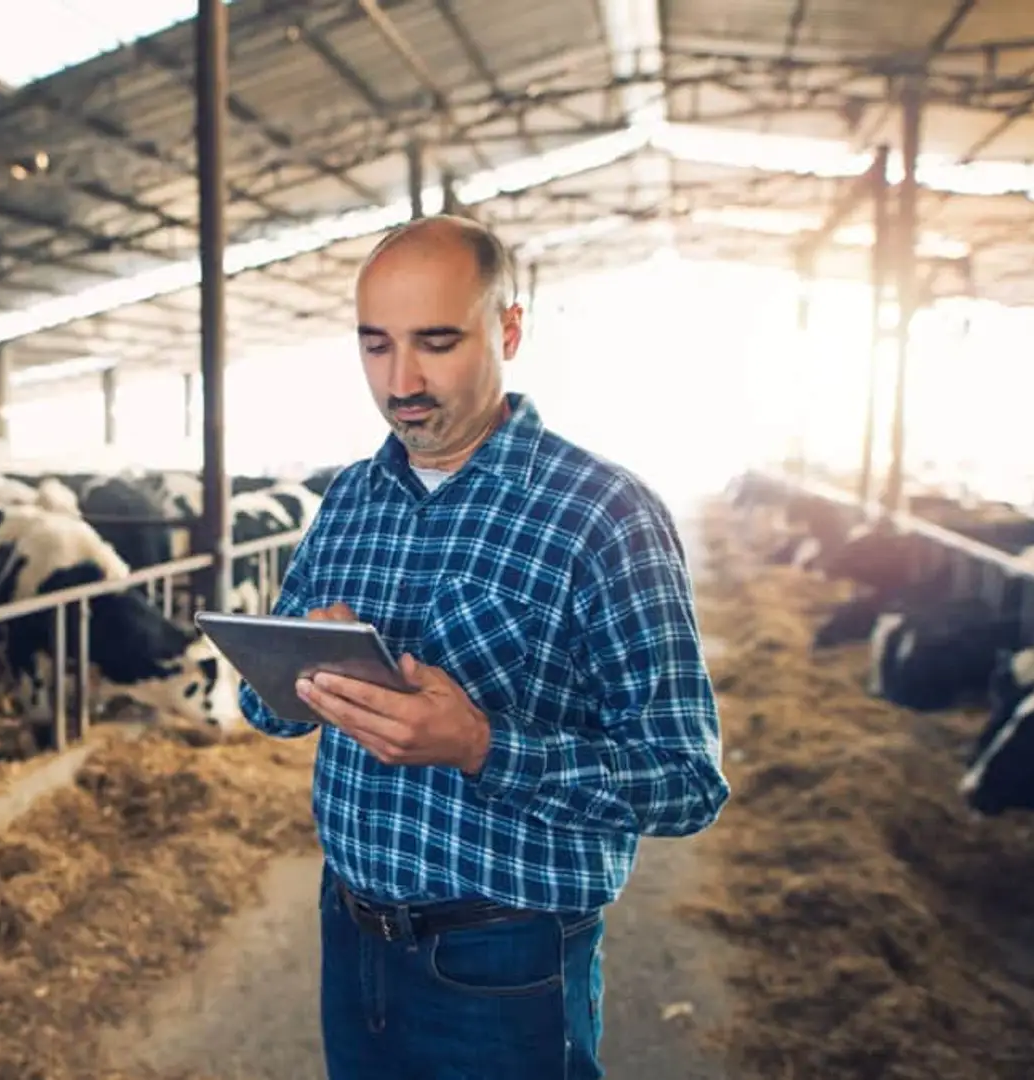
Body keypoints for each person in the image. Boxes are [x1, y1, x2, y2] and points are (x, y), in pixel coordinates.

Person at [238, 214, 730, 1080]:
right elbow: (267, 713)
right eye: (376, 346)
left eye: (436, 342)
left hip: (506, 956)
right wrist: (289, 672)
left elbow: (685, 782)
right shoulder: (352, 496)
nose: (403, 381)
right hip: (351, 928)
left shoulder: (602, 514)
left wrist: (482, 747)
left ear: (509, 328)